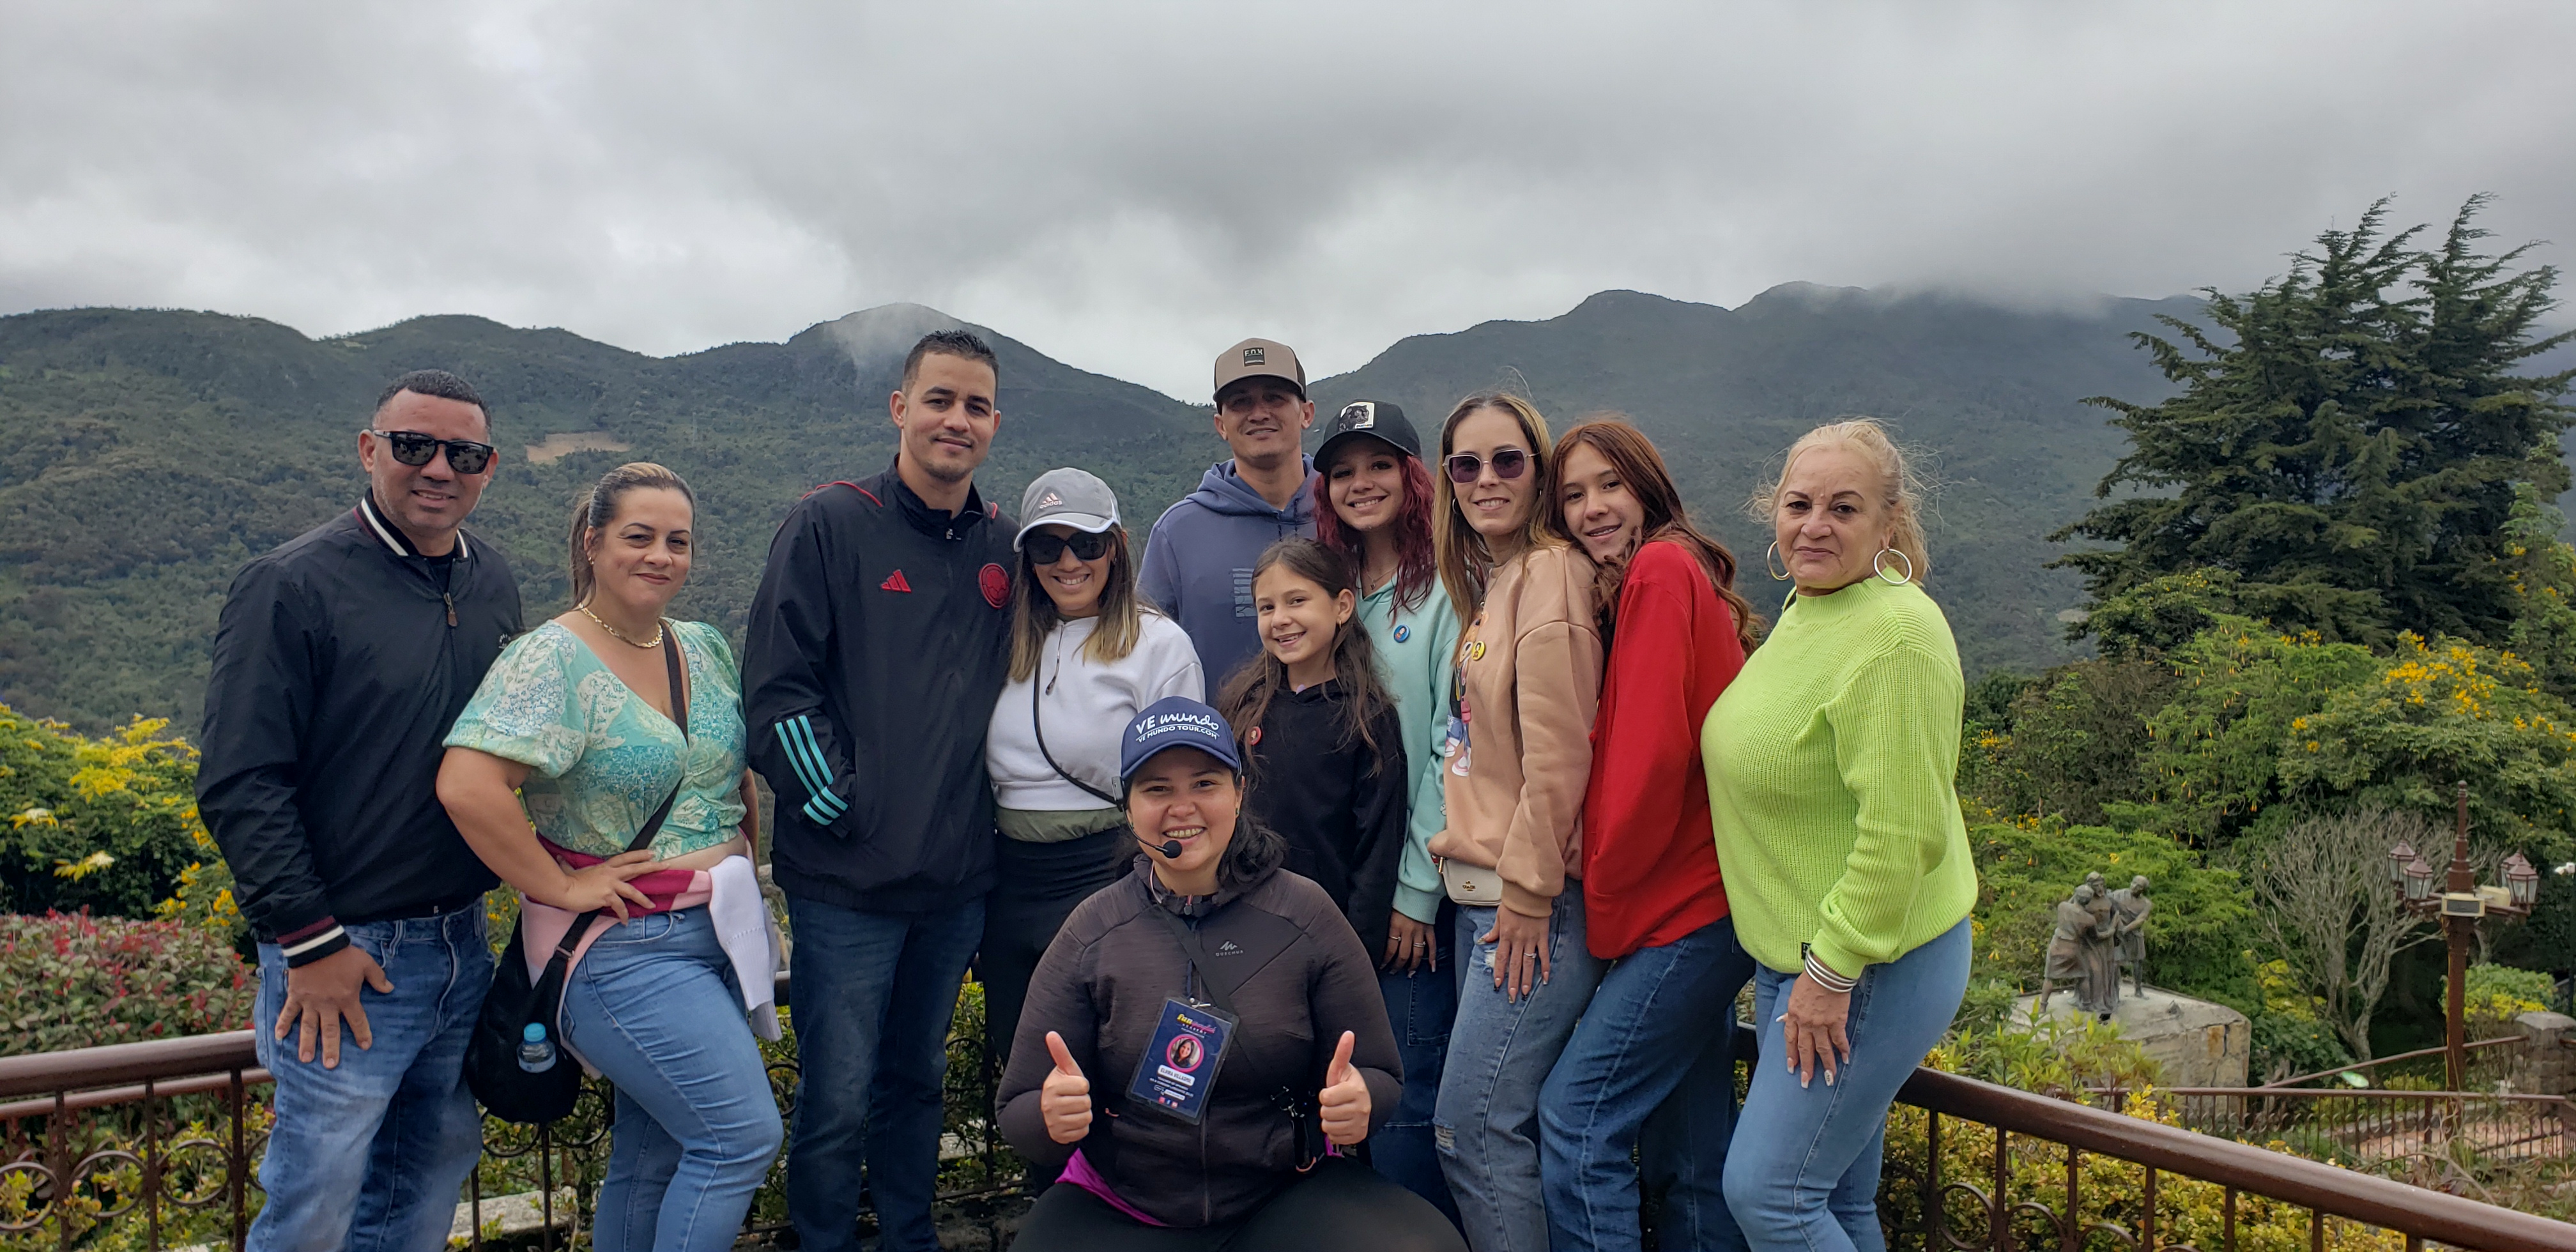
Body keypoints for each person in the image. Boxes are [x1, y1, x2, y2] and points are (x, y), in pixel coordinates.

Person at [195, 369, 520, 1252]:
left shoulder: (493, 580)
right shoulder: (288, 585)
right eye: (415, 446)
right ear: (370, 450)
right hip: (348, 953)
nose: (440, 469)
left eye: (466, 453)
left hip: (460, 939)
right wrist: (311, 943)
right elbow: (240, 780)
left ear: (489, 467)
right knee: (319, 1193)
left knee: (428, 1166)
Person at [438, 463, 780, 1252]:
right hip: (624, 946)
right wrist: (561, 882)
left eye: (678, 541)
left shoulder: (699, 646)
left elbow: (735, 777)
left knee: (657, 1149)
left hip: (715, 931)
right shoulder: (550, 659)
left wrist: (745, 876)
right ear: (593, 543)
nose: (660, 555)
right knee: (738, 1137)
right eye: (638, 536)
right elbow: (467, 784)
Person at [997, 698, 1465, 1252]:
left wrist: (1360, 1102)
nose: (1182, 808)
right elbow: (1018, 1108)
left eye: (1204, 784)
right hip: (1130, 1206)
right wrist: (1052, 1117)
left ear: (1240, 793)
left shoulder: (1305, 914)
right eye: (1157, 789)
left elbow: (1381, 1074)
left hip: (1286, 1194)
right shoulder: (1092, 931)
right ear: (1127, 807)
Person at [740, 329, 1018, 1252]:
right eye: (939, 399)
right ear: (900, 408)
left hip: (956, 885)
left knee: (918, 1083)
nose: (957, 419)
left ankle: (910, 1237)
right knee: (836, 1096)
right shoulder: (830, 522)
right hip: (847, 885)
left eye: (975, 405)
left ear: (994, 424)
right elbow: (779, 690)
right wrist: (846, 806)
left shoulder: (1004, 546)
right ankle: (821, 1241)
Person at [1704, 418, 1977, 1252]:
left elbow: (1901, 839)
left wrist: (1831, 972)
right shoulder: (1810, 608)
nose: (1815, 525)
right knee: (1838, 1203)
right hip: (1808, 964)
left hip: (1867, 967)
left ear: (1887, 524)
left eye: (1844, 508)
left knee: (1769, 1195)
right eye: (1799, 505)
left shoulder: (1895, 635)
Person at [1538, 418, 1764, 1252]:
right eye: (1573, 496)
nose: (1593, 508)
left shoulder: (1663, 570)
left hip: (1686, 909)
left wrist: (1599, 888)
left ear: (1648, 489)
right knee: (1691, 1143)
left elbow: (1649, 757)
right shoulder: (1664, 575)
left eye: (1610, 485)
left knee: (1575, 1121)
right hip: (1716, 901)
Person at [1426, 393, 1607, 1252]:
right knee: (1491, 1126)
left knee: (1475, 1129)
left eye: (1509, 461)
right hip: (1485, 898)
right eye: (1467, 464)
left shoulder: (1551, 578)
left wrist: (1531, 893)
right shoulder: (1498, 582)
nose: (1486, 479)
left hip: (1529, 908)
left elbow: (1561, 757)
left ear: (1539, 470)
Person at [983, 466, 1204, 1066]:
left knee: (1113, 1061)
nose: (1068, 562)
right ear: (1027, 558)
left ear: (1116, 548)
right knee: (1026, 1063)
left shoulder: (1158, 646)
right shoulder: (1000, 642)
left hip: (1110, 869)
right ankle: (1046, 1168)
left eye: (1087, 544)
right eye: (1048, 546)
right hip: (1010, 879)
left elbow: (1186, 784)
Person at [1310, 399, 1462, 1221]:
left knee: (1406, 1086)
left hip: (1412, 896)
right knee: (1344, 1086)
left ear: (1412, 476)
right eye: (1342, 471)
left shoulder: (1442, 585)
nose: (1360, 484)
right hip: (1338, 883)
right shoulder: (1332, 589)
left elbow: (1448, 743)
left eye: (1378, 465)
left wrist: (1414, 893)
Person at [1215, 537, 1408, 956]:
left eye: (1297, 601)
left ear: (1341, 606)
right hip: (1239, 922)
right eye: (1267, 608)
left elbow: (1376, 849)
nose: (1280, 619)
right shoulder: (1243, 705)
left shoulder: (1367, 719)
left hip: (1324, 931)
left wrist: (1357, 951)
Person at [1140, 338, 1319, 683]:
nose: (1259, 413)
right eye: (1241, 403)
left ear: (1306, 414)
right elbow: (1144, 659)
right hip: (1218, 737)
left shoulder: (1345, 512)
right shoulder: (1177, 533)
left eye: (1275, 398)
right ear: (1221, 425)